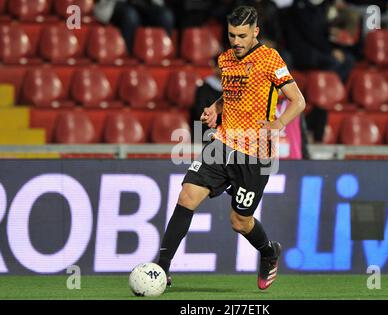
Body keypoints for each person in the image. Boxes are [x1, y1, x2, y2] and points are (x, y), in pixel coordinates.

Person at [157, 5, 305, 290]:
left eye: (241, 35)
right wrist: (215, 108)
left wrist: (278, 124)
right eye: (231, 35)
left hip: (256, 155)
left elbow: (298, 101)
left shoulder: (270, 58)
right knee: (187, 195)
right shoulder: (225, 59)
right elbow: (233, 94)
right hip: (223, 144)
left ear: (255, 33)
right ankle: (161, 269)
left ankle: (268, 251)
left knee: (239, 221)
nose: (235, 42)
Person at [93, 0, 175, 54]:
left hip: (145, 3)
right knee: (131, 16)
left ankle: (164, 53)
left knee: (165, 16)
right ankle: (129, 55)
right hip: (116, 4)